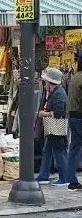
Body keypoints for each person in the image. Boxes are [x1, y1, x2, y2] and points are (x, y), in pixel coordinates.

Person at [36, 68, 68, 186]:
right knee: (47, 151)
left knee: (58, 152)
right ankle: (43, 176)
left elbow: (60, 113)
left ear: (50, 82)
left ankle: (65, 178)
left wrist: (46, 114)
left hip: (56, 128)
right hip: (52, 128)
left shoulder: (59, 93)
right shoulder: (54, 92)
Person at [67, 56, 82, 190]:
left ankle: (71, 179)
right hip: (80, 116)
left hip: (73, 116)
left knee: (75, 148)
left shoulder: (75, 77)